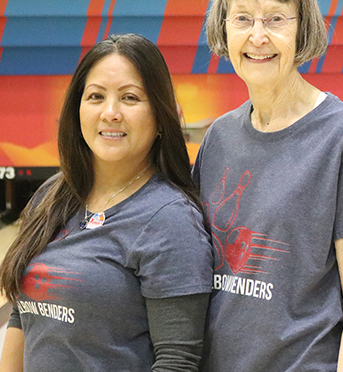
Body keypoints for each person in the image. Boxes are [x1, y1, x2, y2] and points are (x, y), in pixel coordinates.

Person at [195, 0, 343, 371]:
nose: (258, 36)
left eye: (276, 19)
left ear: (302, 29)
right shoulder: (218, 138)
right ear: (223, 27)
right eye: (243, 18)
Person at [0, 34, 213, 371]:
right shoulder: (52, 195)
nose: (110, 113)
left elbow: (177, 362)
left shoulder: (170, 220)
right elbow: (21, 317)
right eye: (96, 96)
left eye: (130, 98)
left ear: (160, 115)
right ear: (77, 109)